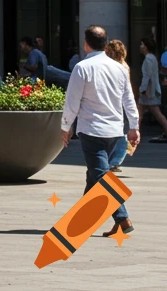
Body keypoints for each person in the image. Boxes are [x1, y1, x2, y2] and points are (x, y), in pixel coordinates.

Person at [62, 25, 139, 238]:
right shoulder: (119, 68)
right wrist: (134, 126)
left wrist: (66, 127)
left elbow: (72, 101)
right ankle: (82, 222)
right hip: (114, 130)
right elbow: (129, 99)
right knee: (95, 176)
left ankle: (122, 218)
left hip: (92, 130)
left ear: (86, 44)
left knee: (101, 176)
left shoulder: (82, 67)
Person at [104, 39, 132, 170]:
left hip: (113, 102)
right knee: (121, 133)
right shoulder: (123, 66)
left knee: (120, 134)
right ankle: (113, 161)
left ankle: (112, 161)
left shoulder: (112, 66)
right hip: (119, 102)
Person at [138, 37, 167, 141]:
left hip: (149, 92)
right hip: (151, 91)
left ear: (146, 47)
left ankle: (134, 134)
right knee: (141, 112)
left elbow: (147, 76)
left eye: (142, 44)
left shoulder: (148, 59)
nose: (140, 46)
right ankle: (134, 133)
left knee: (146, 113)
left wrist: (143, 89)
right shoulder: (152, 58)